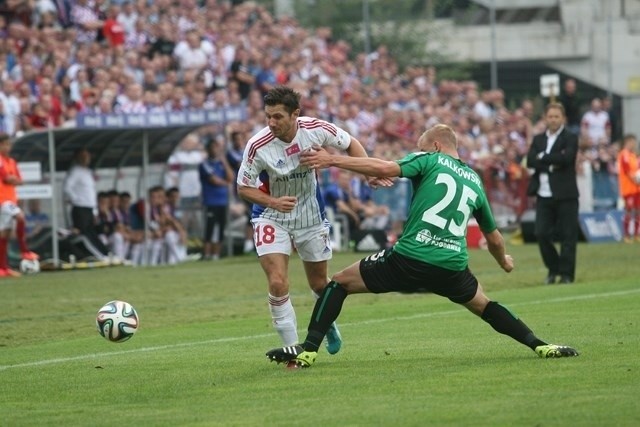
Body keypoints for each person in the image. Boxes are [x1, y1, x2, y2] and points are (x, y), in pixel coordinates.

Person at [265, 124, 579, 369]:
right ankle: (539, 344)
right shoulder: (474, 180)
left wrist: (331, 158)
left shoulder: (429, 159)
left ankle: (308, 351)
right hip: (452, 265)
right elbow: (494, 238)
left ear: (437, 146)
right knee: (484, 305)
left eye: (421, 147)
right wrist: (504, 262)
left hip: (410, 257)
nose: (417, 151)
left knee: (339, 283)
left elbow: (387, 168)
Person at [236, 86, 389, 353]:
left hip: (310, 215)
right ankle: (291, 349)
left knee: (320, 283)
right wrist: (273, 201)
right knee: (277, 282)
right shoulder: (257, 146)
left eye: (278, 117)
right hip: (271, 216)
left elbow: (352, 143)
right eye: (268, 116)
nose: (271, 123)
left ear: (295, 114)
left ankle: (325, 324)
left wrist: (368, 173)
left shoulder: (316, 129)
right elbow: (243, 187)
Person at [526, 103, 579, 284]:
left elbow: (567, 158)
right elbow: (530, 161)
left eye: (557, 116)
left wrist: (543, 157)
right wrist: (551, 160)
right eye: (550, 116)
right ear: (545, 118)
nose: (553, 120)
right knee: (540, 233)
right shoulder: (538, 139)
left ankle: (566, 274)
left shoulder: (570, 137)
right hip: (543, 194)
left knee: (568, 235)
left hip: (566, 194)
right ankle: (553, 268)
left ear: (563, 118)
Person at [0, 133, 39, 277]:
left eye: (9, 144)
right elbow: (7, 178)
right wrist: (12, 179)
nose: (8, 147)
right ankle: (25, 251)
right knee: (20, 216)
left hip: (10, 199)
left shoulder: (11, 161)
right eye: (5, 144)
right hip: (2, 200)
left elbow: (19, 180)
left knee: (5, 233)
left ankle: (2, 268)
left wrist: (13, 180)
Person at [63, 148, 110, 258]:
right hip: (80, 208)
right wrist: (76, 200)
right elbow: (67, 187)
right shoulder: (75, 171)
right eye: (83, 156)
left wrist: (94, 211)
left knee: (92, 233)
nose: (86, 159)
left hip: (89, 208)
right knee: (84, 234)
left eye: (87, 156)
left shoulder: (88, 172)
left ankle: (105, 253)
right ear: (77, 158)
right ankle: (101, 256)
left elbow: (90, 193)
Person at [200, 137, 235, 261]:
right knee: (210, 228)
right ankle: (206, 254)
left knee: (221, 227)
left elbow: (231, 177)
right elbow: (214, 180)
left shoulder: (221, 163)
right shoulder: (204, 164)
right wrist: (227, 183)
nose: (215, 150)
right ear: (208, 149)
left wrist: (224, 162)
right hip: (210, 201)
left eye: (217, 147)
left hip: (223, 201)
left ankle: (216, 255)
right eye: (213, 147)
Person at [616, 134, 640, 243]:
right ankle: (626, 235)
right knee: (629, 211)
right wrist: (635, 179)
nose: (634, 144)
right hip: (628, 188)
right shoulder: (624, 154)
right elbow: (626, 170)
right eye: (632, 142)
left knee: (638, 211)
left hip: (636, 188)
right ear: (627, 142)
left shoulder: (634, 155)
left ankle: (636, 235)